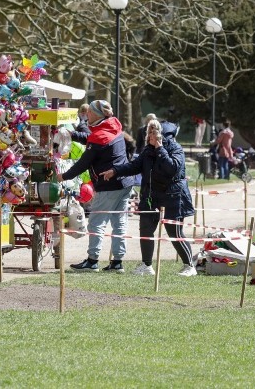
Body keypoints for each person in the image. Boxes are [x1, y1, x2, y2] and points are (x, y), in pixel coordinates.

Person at [102, 119, 197, 277]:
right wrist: (115, 171)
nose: (151, 135)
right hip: (151, 196)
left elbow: (171, 169)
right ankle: (146, 265)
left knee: (174, 232)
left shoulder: (175, 149)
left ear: (162, 134)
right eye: (149, 132)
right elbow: (134, 166)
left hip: (173, 196)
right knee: (145, 229)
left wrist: (160, 149)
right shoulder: (147, 151)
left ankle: (189, 266)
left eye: (154, 132)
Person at [61, 100, 134, 272]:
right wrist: (73, 135)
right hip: (124, 183)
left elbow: (83, 164)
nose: (87, 115)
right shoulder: (113, 126)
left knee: (96, 223)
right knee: (119, 223)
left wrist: (63, 176)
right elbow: (91, 139)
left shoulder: (100, 136)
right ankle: (117, 262)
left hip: (109, 185)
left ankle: (92, 260)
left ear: (98, 115)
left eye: (90, 113)